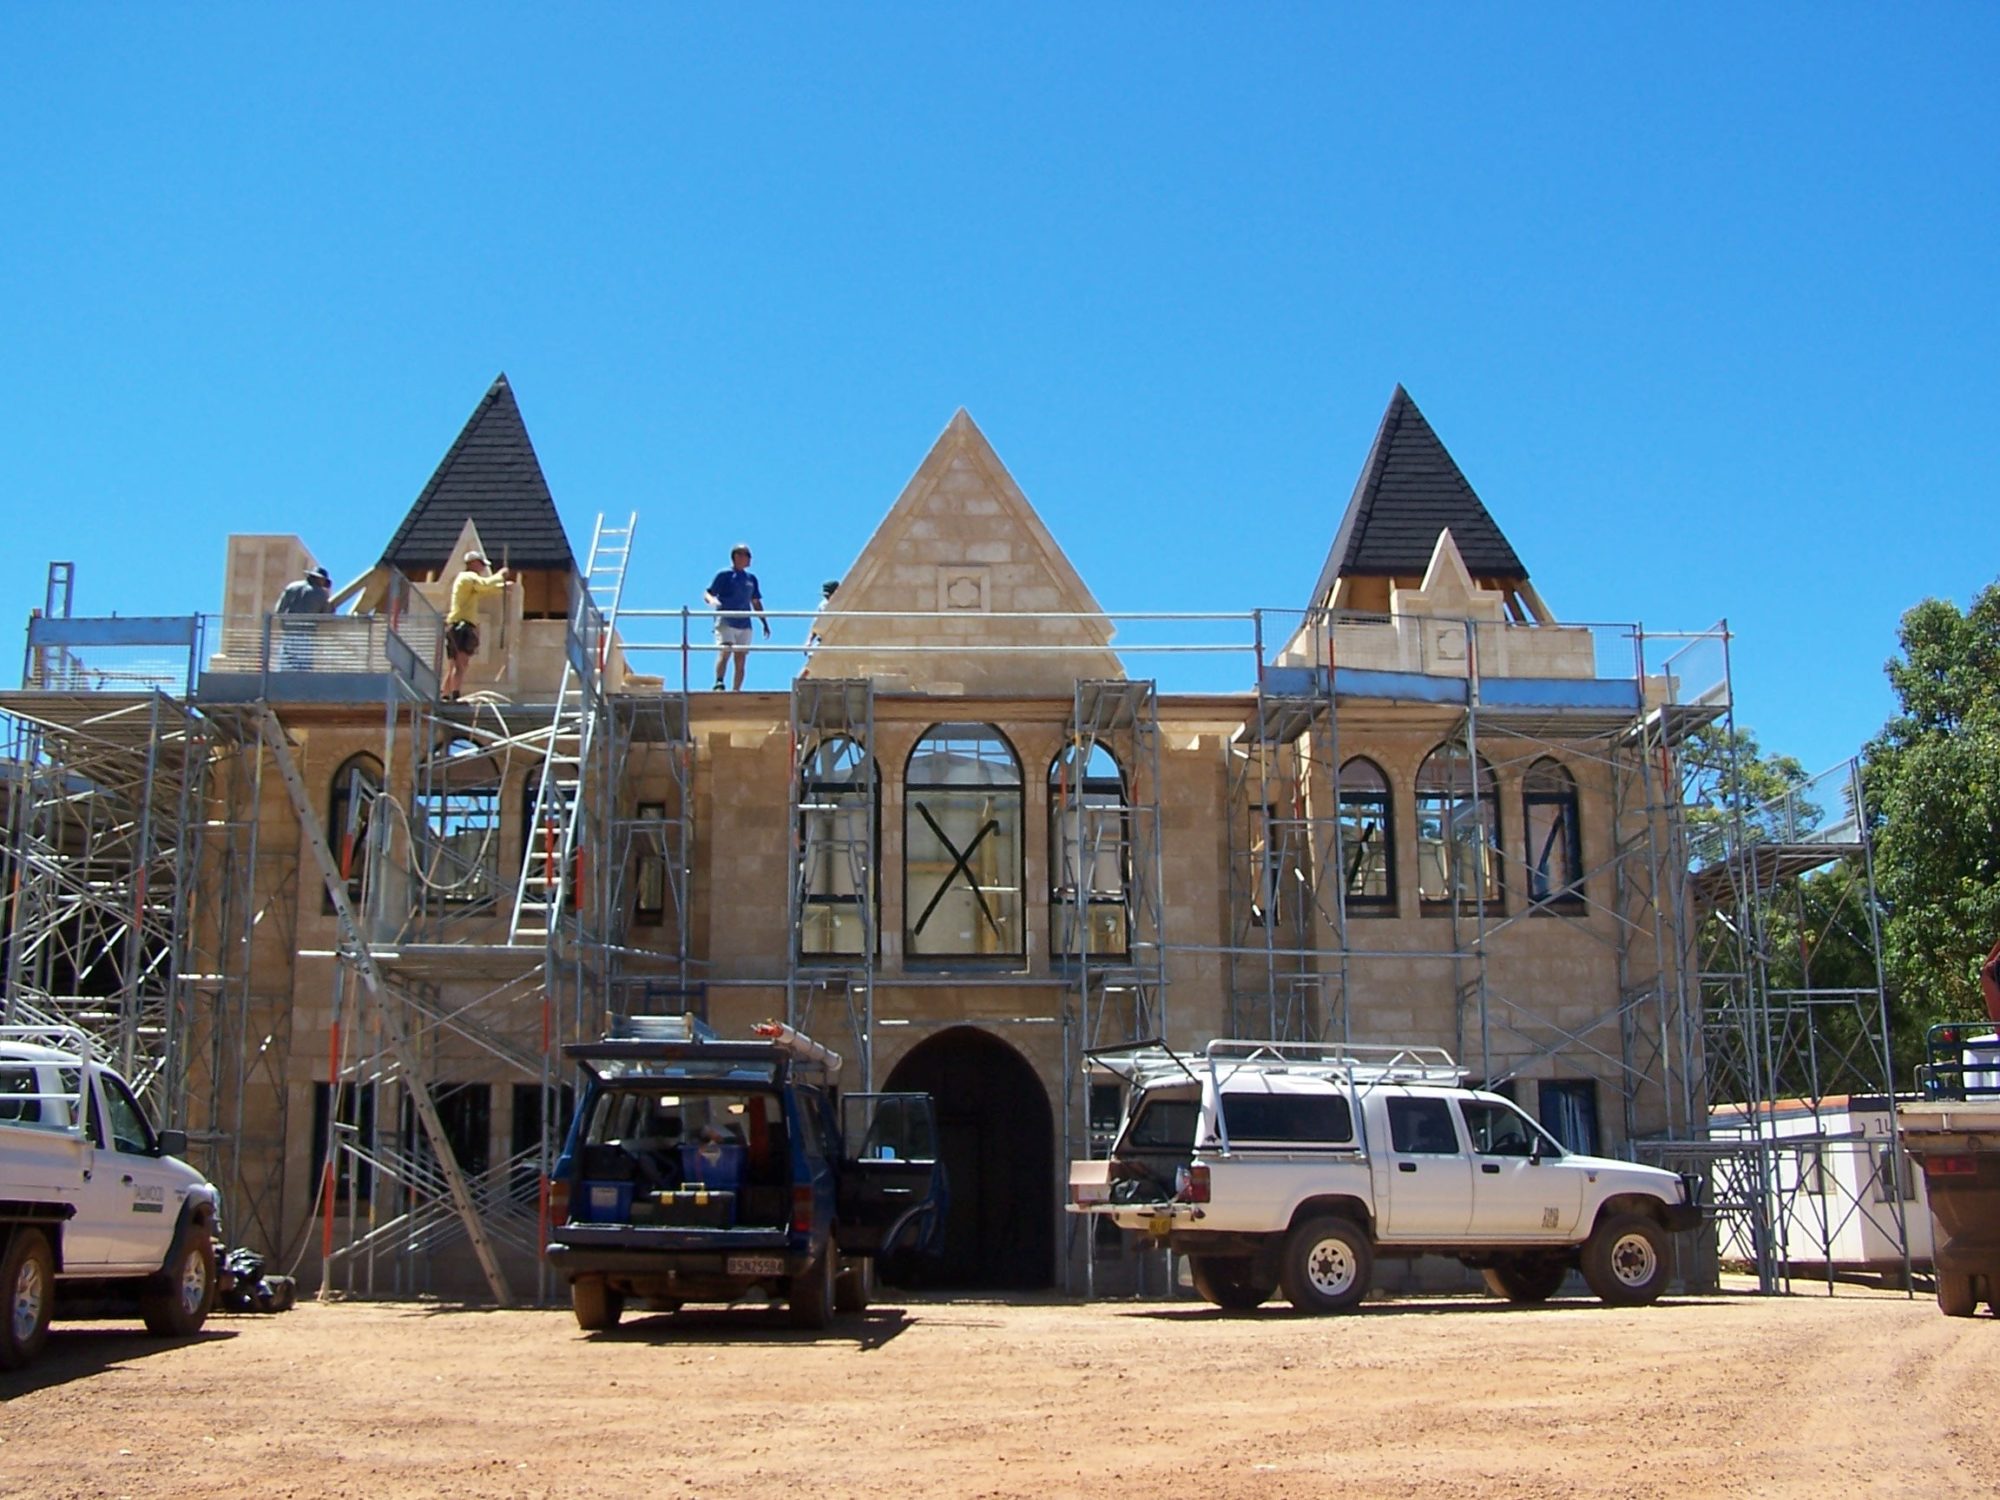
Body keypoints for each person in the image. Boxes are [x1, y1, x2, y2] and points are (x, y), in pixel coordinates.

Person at [441, 551, 512, 701]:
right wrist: (500, 575)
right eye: (481, 565)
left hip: (454, 625)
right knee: (461, 663)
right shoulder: (468, 577)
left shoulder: (465, 581)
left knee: (453, 664)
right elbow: (484, 584)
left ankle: (446, 694)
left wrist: (502, 586)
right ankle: (454, 695)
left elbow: (483, 590)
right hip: (462, 626)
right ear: (474, 563)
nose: (482, 569)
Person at [703, 543, 769, 691]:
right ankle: (719, 682)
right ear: (737, 556)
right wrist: (712, 601)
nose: (750, 559)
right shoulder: (724, 574)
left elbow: (756, 601)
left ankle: (736, 689)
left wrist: (764, 621)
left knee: (741, 658)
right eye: (747, 555)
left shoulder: (751, 579)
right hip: (726, 619)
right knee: (725, 650)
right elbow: (708, 593)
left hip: (744, 622)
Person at [273, 564, 333, 669]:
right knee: (302, 669)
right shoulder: (321, 594)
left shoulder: (292, 587)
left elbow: (279, 610)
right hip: (305, 635)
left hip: (289, 633)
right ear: (320, 579)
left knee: (285, 667)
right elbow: (326, 615)